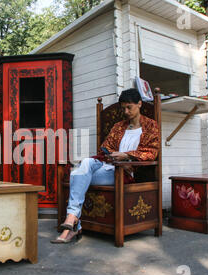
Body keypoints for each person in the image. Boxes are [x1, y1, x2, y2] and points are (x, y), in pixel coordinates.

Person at [51, 88, 160, 243]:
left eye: (129, 107)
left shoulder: (150, 126)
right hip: (108, 165)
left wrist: (126, 155)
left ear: (140, 104)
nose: (126, 111)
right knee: (86, 163)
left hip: (124, 171)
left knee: (76, 175)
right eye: (123, 108)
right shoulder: (119, 126)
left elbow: (151, 152)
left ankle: (72, 221)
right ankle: (73, 220)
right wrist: (111, 153)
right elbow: (106, 146)